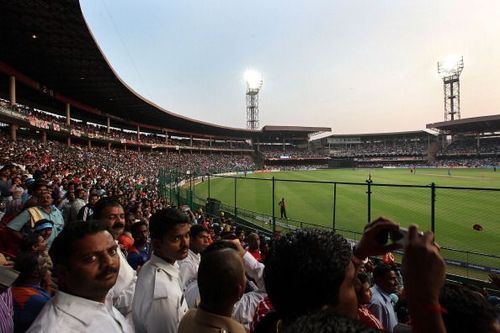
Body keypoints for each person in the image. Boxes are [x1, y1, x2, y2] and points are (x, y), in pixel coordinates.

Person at [27, 221, 133, 332]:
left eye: (112, 251)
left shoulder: (102, 299)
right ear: (63, 272)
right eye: (91, 258)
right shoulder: (55, 329)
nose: (109, 262)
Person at [132, 208, 190, 333]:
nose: (185, 243)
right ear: (157, 244)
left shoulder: (149, 266)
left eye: (187, 235)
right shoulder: (165, 298)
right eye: (176, 239)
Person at [178, 243, 246, 333]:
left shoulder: (187, 317)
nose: (246, 278)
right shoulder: (237, 330)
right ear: (238, 291)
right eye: (244, 273)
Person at [92, 197, 137, 318]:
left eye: (122, 216)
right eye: (112, 217)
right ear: (98, 220)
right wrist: (141, 280)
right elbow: (112, 303)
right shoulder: (98, 254)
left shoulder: (115, 244)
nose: (119, 221)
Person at [11, 251, 50, 332]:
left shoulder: (17, 285)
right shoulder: (35, 300)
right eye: (43, 263)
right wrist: (48, 283)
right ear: (35, 273)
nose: (46, 264)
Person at [368, 264, 399, 332]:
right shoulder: (377, 303)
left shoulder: (385, 297)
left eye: (396, 278)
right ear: (380, 280)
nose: (397, 282)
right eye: (392, 279)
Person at [178, 224, 210, 289]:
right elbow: (181, 288)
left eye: (207, 238)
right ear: (191, 239)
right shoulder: (185, 263)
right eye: (202, 237)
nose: (206, 241)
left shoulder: (197, 255)